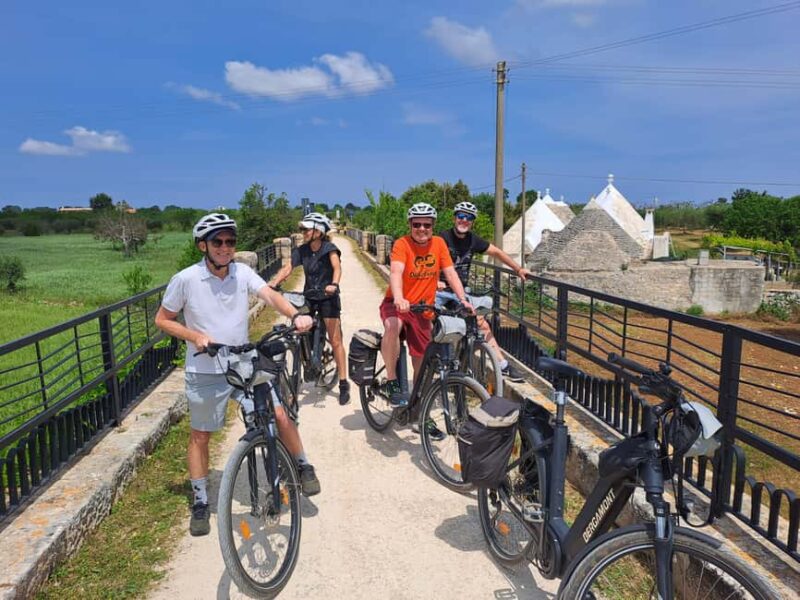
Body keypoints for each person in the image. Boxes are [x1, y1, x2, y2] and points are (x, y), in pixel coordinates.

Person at [155, 213, 320, 538]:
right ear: (203, 245)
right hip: (205, 368)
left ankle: (302, 465)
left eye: (230, 241)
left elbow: (269, 294)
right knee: (201, 435)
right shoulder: (186, 279)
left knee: (279, 414)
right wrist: (194, 336)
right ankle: (201, 500)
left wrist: (295, 314)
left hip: (243, 362)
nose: (225, 247)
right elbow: (163, 319)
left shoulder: (241, 272)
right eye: (217, 241)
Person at [379, 202, 473, 408]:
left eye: (427, 225)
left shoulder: (438, 244)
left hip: (423, 310)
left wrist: (463, 299)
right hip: (397, 304)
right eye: (417, 224)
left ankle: (419, 407)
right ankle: (391, 381)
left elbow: (450, 273)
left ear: (433, 226)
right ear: (410, 225)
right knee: (393, 325)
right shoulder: (402, 244)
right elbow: (396, 272)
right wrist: (399, 297)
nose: (422, 229)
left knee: (421, 362)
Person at [436, 201, 533, 382]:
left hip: (460, 292)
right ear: (454, 218)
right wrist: (435, 281)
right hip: (439, 290)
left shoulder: (473, 240)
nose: (464, 220)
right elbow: (429, 260)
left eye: (469, 218)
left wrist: (518, 269)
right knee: (430, 319)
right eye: (461, 216)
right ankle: (432, 359)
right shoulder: (442, 238)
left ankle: (503, 366)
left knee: (482, 324)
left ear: (472, 222)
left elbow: (497, 253)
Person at [269, 212, 350, 405]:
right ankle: (304, 365)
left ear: (318, 231)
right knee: (300, 329)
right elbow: (288, 268)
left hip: (328, 297)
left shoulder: (329, 249)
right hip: (310, 297)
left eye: (306, 229)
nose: (303, 232)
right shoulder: (302, 250)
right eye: (302, 229)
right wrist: (273, 283)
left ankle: (343, 383)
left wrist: (334, 284)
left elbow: (337, 268)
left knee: (336, 340)